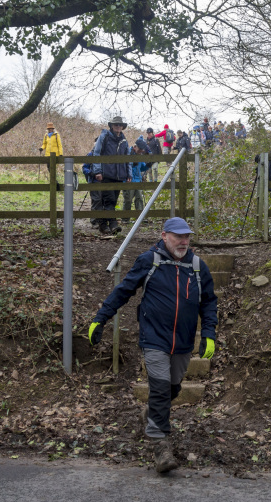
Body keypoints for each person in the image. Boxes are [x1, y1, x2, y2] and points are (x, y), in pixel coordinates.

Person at [88, 217, 218, 473]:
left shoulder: (197, 266)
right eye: (178, 236)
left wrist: (209, 334)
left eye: (187, 236)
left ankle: (150, 414)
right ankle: (160, 447)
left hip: (183, 340)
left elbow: (209, 302)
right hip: (154, 337)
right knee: (159, 388)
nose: (183, 241)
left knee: (173, 389)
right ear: (164, 236)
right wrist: (101, 318)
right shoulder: (150, 260)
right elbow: (125, 290)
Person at [91, 115, 131, 235]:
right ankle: (112, 224)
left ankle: (104, 225)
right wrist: (97, 171)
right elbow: (96, 153)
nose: (118, 127)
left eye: (120, 125)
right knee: (109, 200)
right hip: (106, 174)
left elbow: (127, 158)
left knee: (112, 201)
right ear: (112, 126)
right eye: (116, 125)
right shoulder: (104, 137)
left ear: (122, 127)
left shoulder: (124, 140)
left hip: (119, 176)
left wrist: (128, 173)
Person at [122, 138, 150, 222]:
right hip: (128, 181)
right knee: (128, 200)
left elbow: (142, 168)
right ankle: (125, 219)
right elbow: (123, 167)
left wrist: (148, 165)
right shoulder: (126, 154)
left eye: (142, 150)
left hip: (138, 181)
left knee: (139, 199)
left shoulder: (140, 156)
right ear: (135, 147)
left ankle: (140, 218)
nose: (141, 151)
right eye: (140, 149)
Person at [82, 137, 102, 228]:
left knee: (104, 200)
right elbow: (84, 168)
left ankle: (102, 220)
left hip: (105, 182)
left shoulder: (105, 154)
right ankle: (94, 221)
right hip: (94, 181)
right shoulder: (91, 154)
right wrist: (92, 173)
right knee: (96, 200)